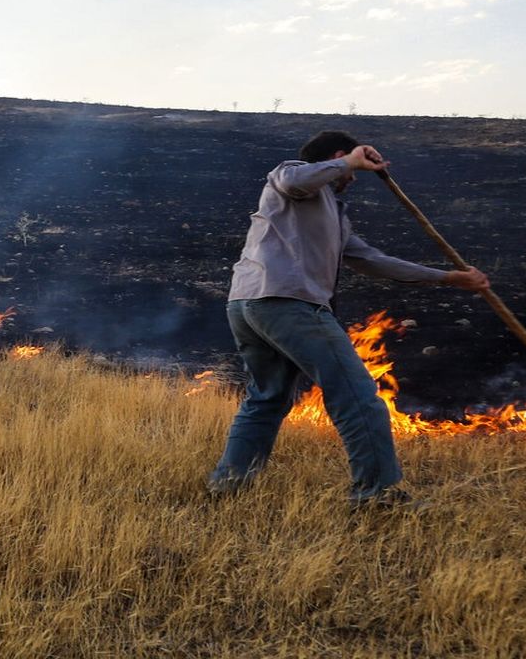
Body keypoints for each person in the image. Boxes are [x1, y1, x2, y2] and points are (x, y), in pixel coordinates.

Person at [208, 131, 490, 507]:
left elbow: (373, 260)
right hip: (289, 304)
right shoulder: (293, 174)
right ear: (338, 156)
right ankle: (377, 494)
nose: (352, 179)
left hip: (249, 305)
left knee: (268, 398)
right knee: (357, 397)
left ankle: (229, 484)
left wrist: (449, 278)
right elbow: (295, 179)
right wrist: (350, 162)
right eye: (349, 168)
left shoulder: (334, 216)